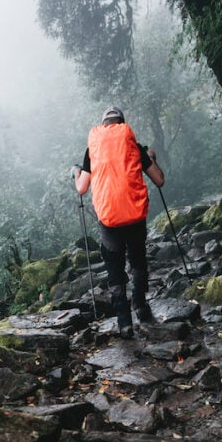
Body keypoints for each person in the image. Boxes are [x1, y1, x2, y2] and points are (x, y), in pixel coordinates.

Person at [72, 106, 165, 338]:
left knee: (114, 265)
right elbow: (160, 180)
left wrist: (76, 172)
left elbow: (82, 188)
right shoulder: (132, 145)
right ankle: (141, 307)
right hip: (134, 216)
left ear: (104, 126)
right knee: (137, 258)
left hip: (109, 219)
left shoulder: (92, 148)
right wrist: (151, 158)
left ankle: (124, 322)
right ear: (123, 125)